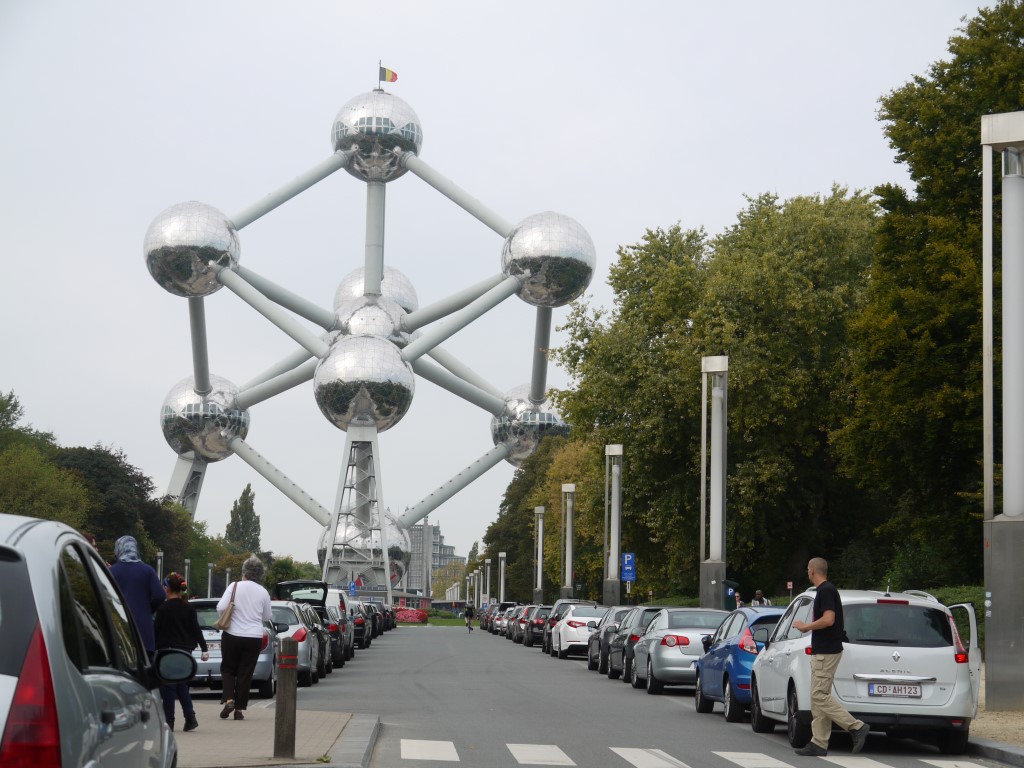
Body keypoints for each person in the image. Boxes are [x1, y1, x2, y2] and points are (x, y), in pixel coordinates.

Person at [792, 557, 870, 756]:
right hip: (824, 650)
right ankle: (819, 743)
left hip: (826, 652)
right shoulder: (826, 590)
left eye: (808, 569)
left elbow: (828, 619)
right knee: (818, 698)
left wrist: (806, 627)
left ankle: (856, 726)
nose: (807, 573)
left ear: (812, 570)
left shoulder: (826, 590)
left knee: (819, 696)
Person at [216, 555, 272, 721]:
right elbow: (267, 616)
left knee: (228, 668)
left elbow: (221, 607)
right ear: (260, 574)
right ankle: (239, 710)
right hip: (253, 636)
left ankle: (229, 700)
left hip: (232, 634)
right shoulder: (263, 592)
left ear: (244, 572)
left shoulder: (234, 586)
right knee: (245, 673)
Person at [154, 572, 208, 731]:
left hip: (167, 651)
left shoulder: (163, 608)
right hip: (185, 651)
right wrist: (204, 648)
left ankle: (169, 721)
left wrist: (151, 649)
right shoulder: (188, 607)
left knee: (168, 686)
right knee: (182, 684)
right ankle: (190, 718)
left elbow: (156, 631)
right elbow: (196, 629)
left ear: (167, 589)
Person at [109, 535, 165, 656]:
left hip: (119, 629)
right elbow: (160, 595)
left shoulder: (112, 571)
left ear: (118, 549)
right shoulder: (147, 570)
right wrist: (147, 609)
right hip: (143, 631)